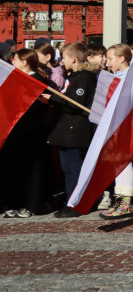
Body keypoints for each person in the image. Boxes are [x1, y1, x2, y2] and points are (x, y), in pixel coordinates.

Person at [47, 42, 97, 218]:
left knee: (73, 168)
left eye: (64, 57)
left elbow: (75, 103)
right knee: (69, 168)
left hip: (75, 130)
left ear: (73, 58)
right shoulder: (75, 76)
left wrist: (52, 99)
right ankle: (72, 199)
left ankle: (75, 203)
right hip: (69, 130)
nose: (62, 61)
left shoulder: (83, 77)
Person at [1, 49, 52, 217]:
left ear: (24, 62)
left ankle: (30, 204)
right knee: (19, 170)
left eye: (15, 59)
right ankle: (18, 203)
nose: (12, 62)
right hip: (21, 132)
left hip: (28, 131)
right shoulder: (23, 79)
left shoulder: (34, 80)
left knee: (29, 170)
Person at [100, 44, 133, 219]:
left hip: (125, 126)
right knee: (117, 163)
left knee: (124, 162)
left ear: (122, 58)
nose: (107, 62)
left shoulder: (131, 78)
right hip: (113, 126)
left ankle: (126, 202)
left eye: (110, 58)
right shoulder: (116, 77)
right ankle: (119, 199)